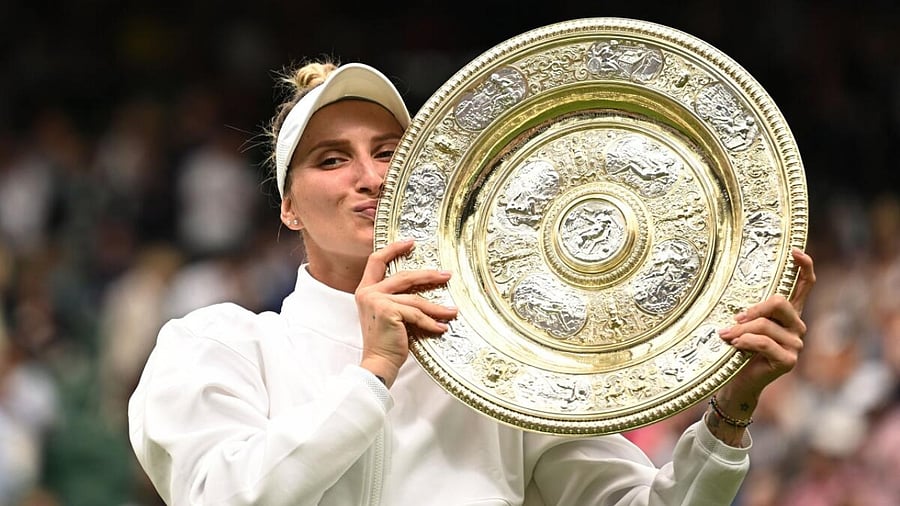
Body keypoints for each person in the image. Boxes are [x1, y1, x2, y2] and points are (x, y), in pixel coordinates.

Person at [127, 59, 816, 505]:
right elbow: (220, 496)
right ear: (286, 205)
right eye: (331, 159)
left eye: (390, 152)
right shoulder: (218, 342)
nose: (369, 177)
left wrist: (729, 412)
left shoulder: (503, 363)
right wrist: (373, 372)